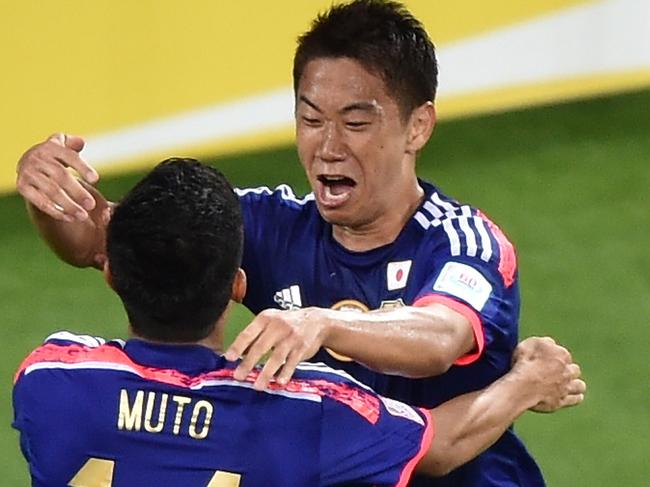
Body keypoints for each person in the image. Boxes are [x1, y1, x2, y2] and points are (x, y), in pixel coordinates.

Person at [15, 1, 577, 485]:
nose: (327, 147)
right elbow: (114, 241)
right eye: (310, 119)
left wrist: (323, 323)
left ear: (417, 126)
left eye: (355, 123)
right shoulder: (268, 222)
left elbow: (442, 336)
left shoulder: (463, 241)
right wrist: (53, 199)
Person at [13, 158, 585, 487]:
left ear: (113, 275)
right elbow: (440, 445)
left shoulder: (49, 380)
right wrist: (525, 382)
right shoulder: (303, 409)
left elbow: (110, 244)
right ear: (239, 286)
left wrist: (49, 202)